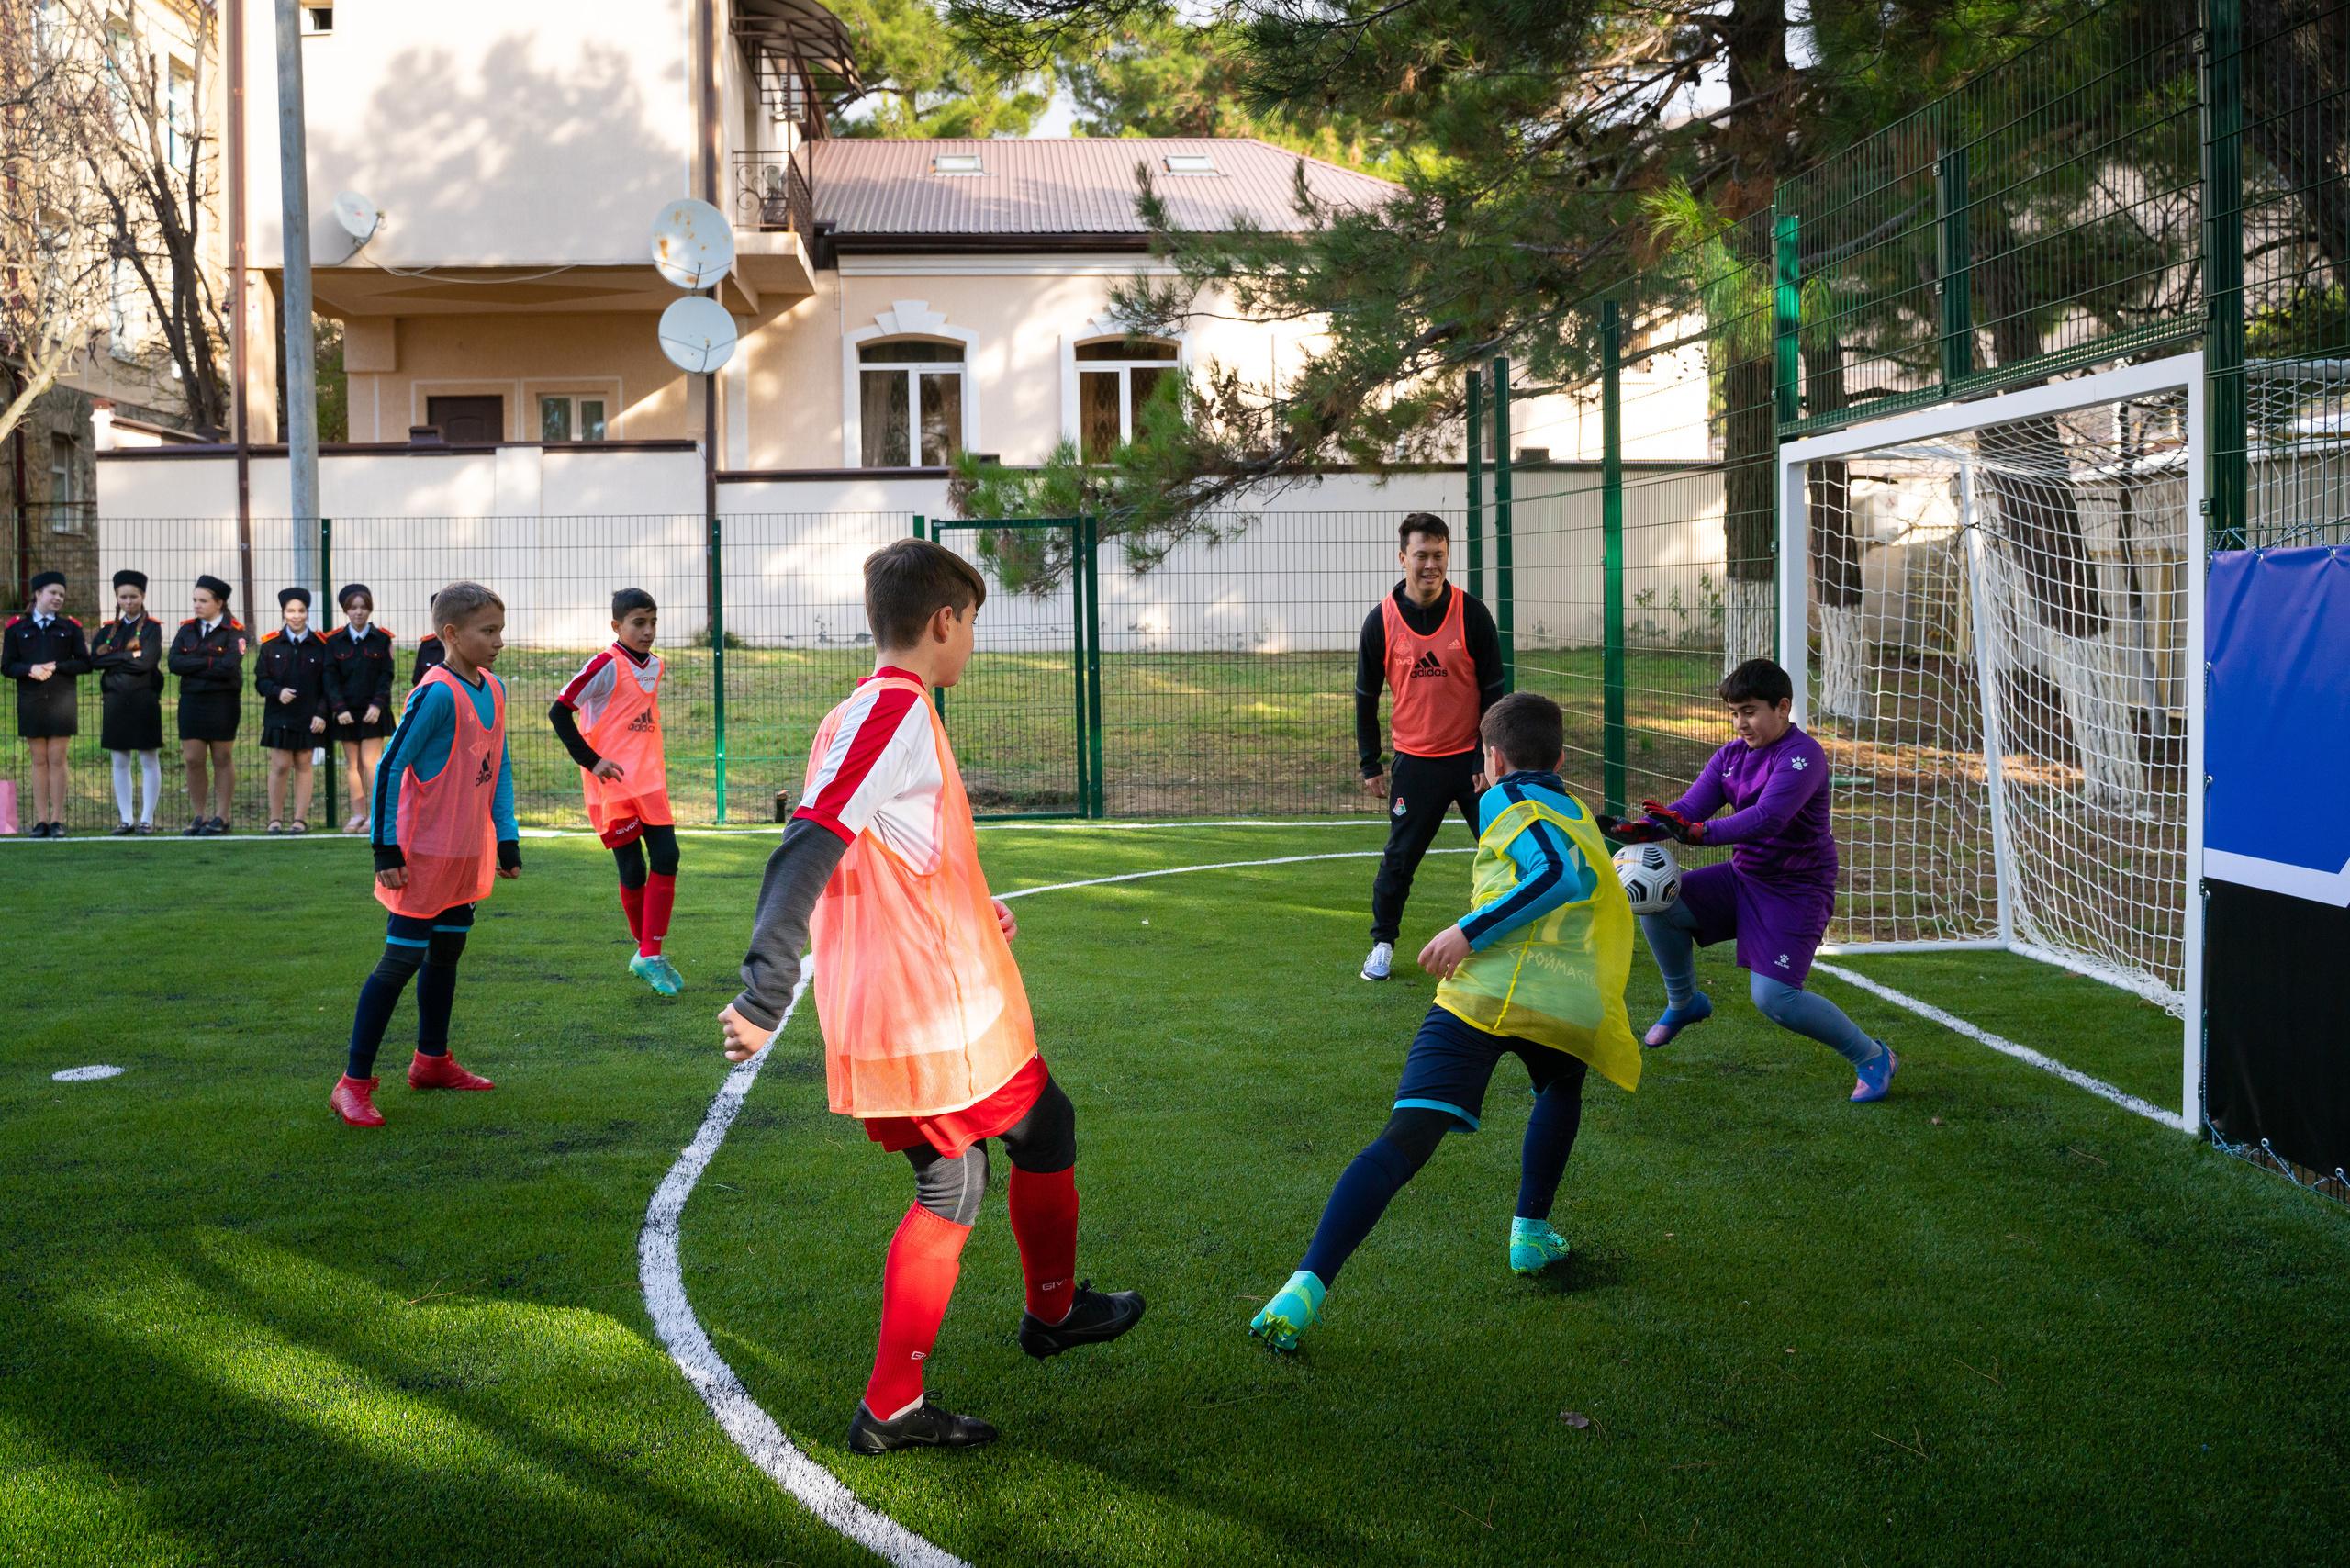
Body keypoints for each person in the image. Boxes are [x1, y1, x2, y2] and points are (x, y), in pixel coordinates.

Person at [716, 538, 1145, 1455]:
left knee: (1033, 1132)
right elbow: (809, 843)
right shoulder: (895, 713)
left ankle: (1040, 1318)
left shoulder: (858, 712)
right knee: (959, 1181)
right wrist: (764, 987)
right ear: (944, 621)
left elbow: (884, 841)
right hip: (927, 1011)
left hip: (918, 994)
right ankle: (917, 1390)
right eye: (974, 624)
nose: (973, 644)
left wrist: (963, 897)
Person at [1251, 691, 1639, 1352]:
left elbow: (1558, 876)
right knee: (1560, 1088)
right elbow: (1579, 868)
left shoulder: (1505, 798)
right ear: (1563, 758)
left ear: (1490, 758)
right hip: (1566, 999)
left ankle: (1304, 1286)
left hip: (1487, 993)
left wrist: (1467, 930)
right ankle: (1530, 1235)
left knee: (1406, 1137)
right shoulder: (1574, 808)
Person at [1601, 657, 1897, 1103]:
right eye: (1734, 712)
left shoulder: (1804, 755)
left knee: (1777, 999)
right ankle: (1685, 1003)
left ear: (1783, 707)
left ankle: (1873, 1055)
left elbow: (1768, 818)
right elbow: (1688, 810)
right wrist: (1646, 829)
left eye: (1750, 711)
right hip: (1743, 878)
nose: (1740, 722)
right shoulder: (1730, 756)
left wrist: (1700, 835)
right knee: (1659, 903)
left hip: (1796, 890)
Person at [331, 581, 519, 1129]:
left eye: (500, 630)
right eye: (489, 632)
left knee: (446, 954)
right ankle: (352, 1083)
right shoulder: (435, 692)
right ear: (451, 635)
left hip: (465, 851)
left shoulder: (496, 688)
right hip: (420, 855)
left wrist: (505, 836)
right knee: (400, 962)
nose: (498, 641)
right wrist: (383, 846)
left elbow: (499, 767)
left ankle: (432, 1061)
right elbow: (389, 767)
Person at [1355, 512, 1505, 982]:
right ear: (1403, 558)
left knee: (1508, 848)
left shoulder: (1473, 614)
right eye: (1421, 555)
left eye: (1439, 555)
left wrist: (1490, 757)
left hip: (1472, 761)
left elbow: (1495, 693)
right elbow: (1366, 698)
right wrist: (1370, 764)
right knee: (1399, 858)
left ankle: (1522, 931)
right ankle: (1382, 943)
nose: (1430, 565)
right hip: (1416, 762)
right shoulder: (1381, 621)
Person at [551, 588, 682, 994]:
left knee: (668, 856)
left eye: (653, 623)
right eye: (638, 623)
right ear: (617, 626)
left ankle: (649, 952)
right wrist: (592, 760)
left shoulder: (655, 666)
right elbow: (559, 712)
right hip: (613, 786)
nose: (647, 631)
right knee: (633, 868)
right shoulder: (604, 664)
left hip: (650, 782)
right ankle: (647, 954)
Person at [3, 571, 89, 838]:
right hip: (31, 700)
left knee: (58, 758)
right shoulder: (16, 628)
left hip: (62, 700)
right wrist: (30, 669)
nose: (58, 598)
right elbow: (6, 665)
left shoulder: (71, 627)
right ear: (38, 594)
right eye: (53, 593)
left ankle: (57, 821)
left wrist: (57, 666)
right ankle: (41, 821)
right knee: (39, 760)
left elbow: (85, 663)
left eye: (61, 594)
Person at [88, 569, 165, 834]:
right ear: (117, 598)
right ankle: (126, 819)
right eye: (124, 597)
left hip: (144, 700)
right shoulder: (108, 630)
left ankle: (146, 819)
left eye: (134, 596)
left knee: (148, 758)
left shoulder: (153, 628)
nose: (129, 601)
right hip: (115, 701)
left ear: (142, 596)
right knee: (119, 760)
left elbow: (146, 662)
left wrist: (115, 657)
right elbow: (93, 660)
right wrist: (127, 656)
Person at [170, 575, 244, 836]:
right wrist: (210, 661)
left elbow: (229, 667)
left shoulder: (234, 631)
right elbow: (174, 664)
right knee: (193, 760)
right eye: (195, 600)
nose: (197, 605)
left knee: (222, 757)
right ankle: (199, 815)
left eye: (203, 601)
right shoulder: (186, 630)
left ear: (219, 603)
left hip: (222, 701)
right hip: (192, 701)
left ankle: (222, 817)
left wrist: (198, 664)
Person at [255, 587, 330, 834]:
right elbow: (260, 680)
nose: (296, 616)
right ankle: (274, 820)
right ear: (283, 612)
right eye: (291, 611)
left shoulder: (320, 644)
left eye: (301, 611)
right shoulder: (270, 644)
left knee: (304, 763)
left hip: (309, 715)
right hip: (279, 714)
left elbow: (328, 684)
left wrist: (321, 713)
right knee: (279, 765)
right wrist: (277, 691)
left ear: (307, 612)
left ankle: (300, 820)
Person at [324, 583, 396, 834]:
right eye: (353, 608)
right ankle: (358, 815)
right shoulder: (334, 641)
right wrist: (339, 709)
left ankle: (376, 817)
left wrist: (377, 706)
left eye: (364, 607)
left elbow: (386, 676)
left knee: (371, 762)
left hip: (373, 712)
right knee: (352, 764)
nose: (359, 613)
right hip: (346, 714)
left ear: (370, 609)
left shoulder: (382, 639)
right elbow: (330, 679)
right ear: (346, 610)